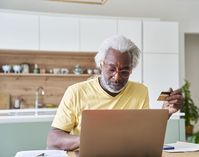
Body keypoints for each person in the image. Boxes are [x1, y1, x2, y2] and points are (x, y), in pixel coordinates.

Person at [47, 35, 183, 151]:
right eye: (111, 69)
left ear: (131, 70)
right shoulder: (76, 92)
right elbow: (53, 140)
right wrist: (90, 140)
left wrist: (166, 113)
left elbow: (144, 134)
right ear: (101, 64)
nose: (117, 77)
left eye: (124, 71)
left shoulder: (140, 91)